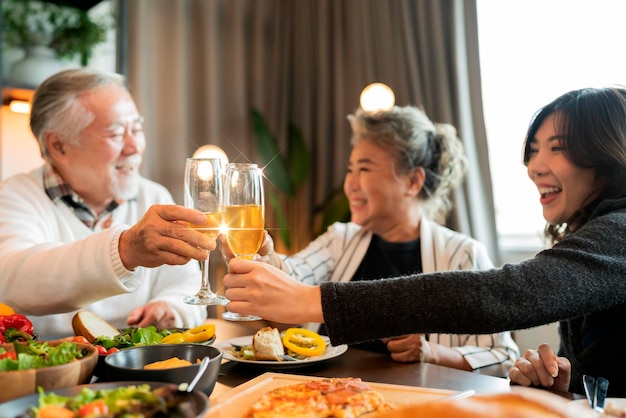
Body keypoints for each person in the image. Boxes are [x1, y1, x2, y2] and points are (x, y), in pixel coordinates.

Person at [222, 86, 626, 396]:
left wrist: (311, 301)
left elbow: (505, 295)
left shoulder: (618, 233)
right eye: (534, 150)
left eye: (557, 148)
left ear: (609, 153)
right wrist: (565, 389)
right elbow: (599, 383)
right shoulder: (342, 237)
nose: (533, 166)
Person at [244, 105, 518, 377]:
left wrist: (430, 353)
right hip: (326, 396)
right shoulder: (341, 238)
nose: (349, 184)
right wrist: (269, 261)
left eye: (364, 169)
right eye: (350, 170)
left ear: (412, 181)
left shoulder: (462, 255)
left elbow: (503, 356)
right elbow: (294, 275)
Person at [0, 68, 210, 338]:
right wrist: (124, 249)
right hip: (55, 374)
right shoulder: (16, 196)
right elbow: (13, 280)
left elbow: (188, 286)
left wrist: (171, 309)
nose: (135, 146)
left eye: (136, 128)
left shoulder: (153, 197)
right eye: (115, 134)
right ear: (59, 146)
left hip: (139, 370)